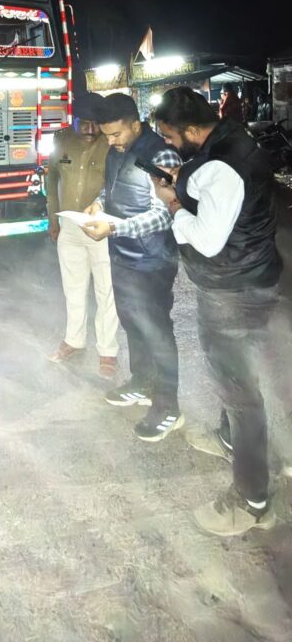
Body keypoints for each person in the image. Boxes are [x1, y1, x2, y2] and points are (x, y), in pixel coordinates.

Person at [153, 87, 282, 536]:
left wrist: (172, 203)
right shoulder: (235, 140)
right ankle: (232, 440)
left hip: (232, 290)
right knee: (240, 383)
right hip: (254, 276)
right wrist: (186, 185)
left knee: (240, 392)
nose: (168, 143)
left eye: (170, 136)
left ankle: (252, 501)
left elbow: (208, 240)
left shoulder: (219, 165)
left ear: (191, 129)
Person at [82, 93, 182, 442]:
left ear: (136, 125)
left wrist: (114, 227)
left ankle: (168, 405)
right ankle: (142, 382)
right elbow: (112, 190)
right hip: (122, 256)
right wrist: (98, 205)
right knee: (133, 325)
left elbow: (164, 214)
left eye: (116, 134)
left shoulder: (161, 155)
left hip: (152, 259)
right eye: (107, 135)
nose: (110, 141)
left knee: (157, 332)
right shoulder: (116, 150)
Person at [46, 94, 120, 377]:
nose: (90, 130)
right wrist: (53, 218)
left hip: (102, 228)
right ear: (73, 120)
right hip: (69, 226)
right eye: (84, 123)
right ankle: (74, 340)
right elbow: (52, 179)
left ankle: (107, 351)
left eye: (95, 124)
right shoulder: (61, 140)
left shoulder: (111, 143)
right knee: (73, 288)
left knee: (106, 291)